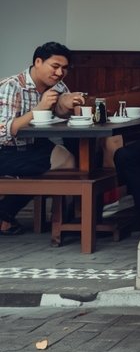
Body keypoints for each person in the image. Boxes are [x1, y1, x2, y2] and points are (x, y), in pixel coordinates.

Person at [0, 43, 84, 235]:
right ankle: (5, 213)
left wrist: (67, 105)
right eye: (55, 66)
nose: (60, 73)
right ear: (38, 62)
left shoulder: (58, 85)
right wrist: (38, 109)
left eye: (64, 68)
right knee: (51, 164)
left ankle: (63, 222)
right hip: (4, 150)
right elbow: (4, 131)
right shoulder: (11, 86)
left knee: (69, 161)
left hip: (33, 146)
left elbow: (60, 112)